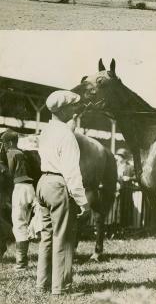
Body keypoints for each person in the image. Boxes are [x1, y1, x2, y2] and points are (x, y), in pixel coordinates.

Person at [36, 90, 90, 296]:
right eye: (74, 106)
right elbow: (72, 172)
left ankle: (42, 285)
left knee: (47, 237)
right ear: (64, 108)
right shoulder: (67, 135)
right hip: (58, 184)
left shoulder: (46, 131)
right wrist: (83, 202)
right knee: (63, 237)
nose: (76, 110)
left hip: (43, 183)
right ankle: (61, 288)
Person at [0, 129, 35, 270]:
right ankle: (22, 261)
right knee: (25, 223)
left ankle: (22, 263)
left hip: (19, 188)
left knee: (19, 225)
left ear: (8, 142)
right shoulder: (22, 153)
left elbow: (9, 172)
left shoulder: (10, 153)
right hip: (30, 188)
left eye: (3, 143)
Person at [115, 148, 136, 229]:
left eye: (119, 156)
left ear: (124, 158)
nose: (117, 158)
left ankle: (125, 227)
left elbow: (137, 176)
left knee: (125, 209)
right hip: (116, 190)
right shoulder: (115, 166)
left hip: (126, 191)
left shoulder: (130, 167)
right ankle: (116, 226)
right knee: (116, 210)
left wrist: (129, 178)